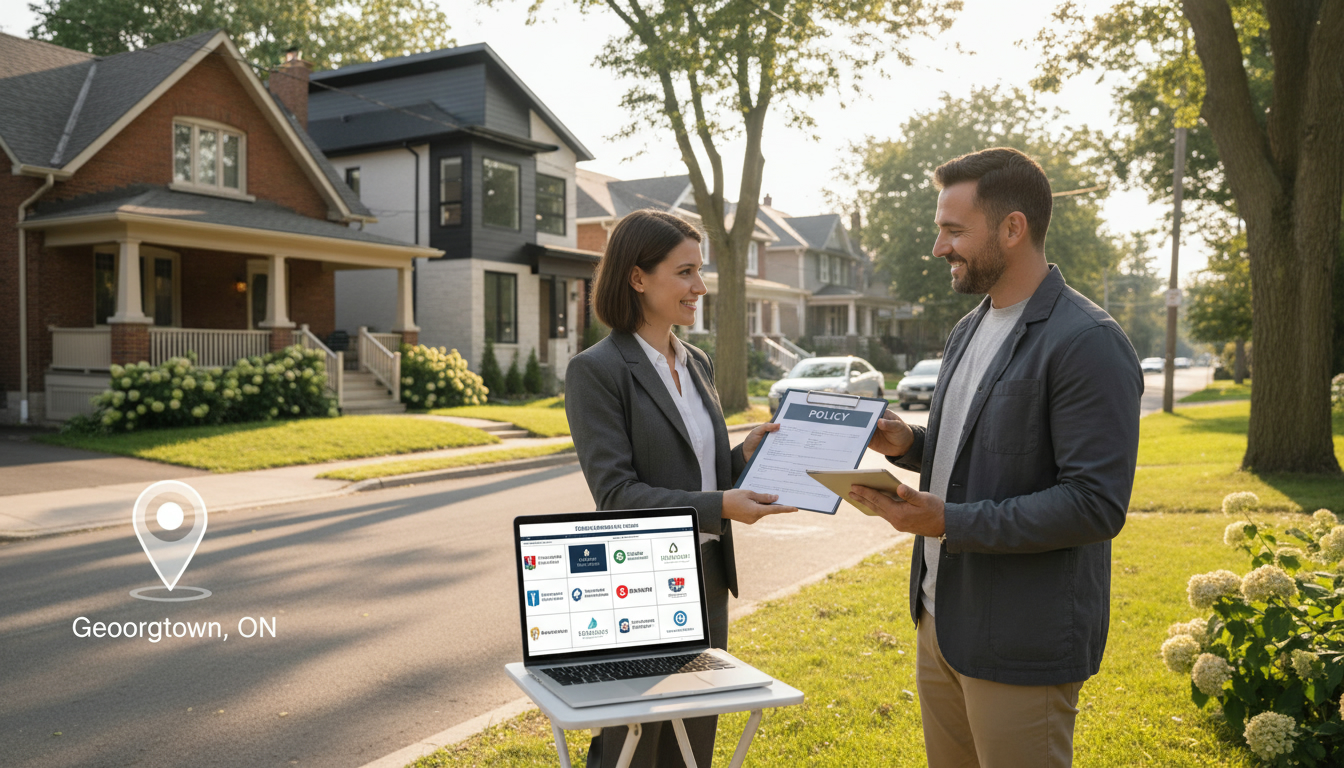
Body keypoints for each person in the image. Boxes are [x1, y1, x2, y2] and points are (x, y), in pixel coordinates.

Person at [850, 147, 1142, 767]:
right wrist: (911, 445)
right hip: (940, 621)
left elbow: (1094, 505)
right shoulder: (969, 329)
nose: (938, 248)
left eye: (953, 231)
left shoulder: (1087, 343)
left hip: (1020, 641)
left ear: (1013, 228)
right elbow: (983, 452)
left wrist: (947, 521)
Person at [565, 208, 796, 767]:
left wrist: (745, 455)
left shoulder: (696, 362)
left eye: (701, 272)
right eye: (686, 272)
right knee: (631, 746)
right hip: (638, 586)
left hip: (708, 580)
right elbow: (617, 495)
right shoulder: (597, 371)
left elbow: (703, 469)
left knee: (696, 742)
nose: (700, 287)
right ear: (638, 278)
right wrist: (721, 505)